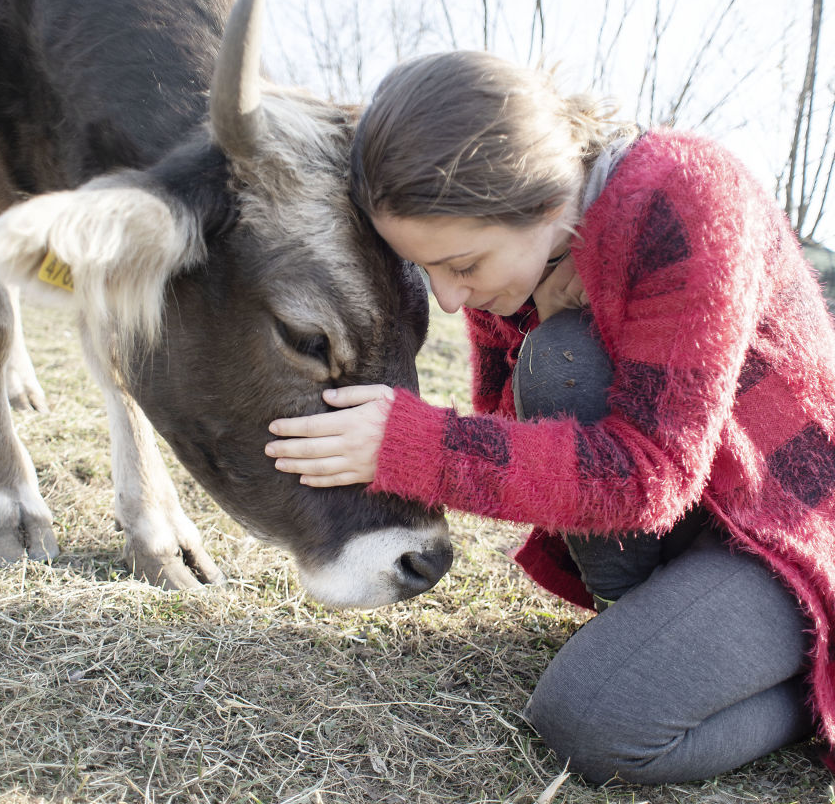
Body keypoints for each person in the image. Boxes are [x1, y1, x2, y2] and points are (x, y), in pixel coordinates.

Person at [264, 50, 833, 785]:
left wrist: (407, 445)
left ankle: (810, 679)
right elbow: (514, 421)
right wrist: (540, 320)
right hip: (692, 518)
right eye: (427, 270)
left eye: (463, 265)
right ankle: (653, 622)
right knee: (559, 353)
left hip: (786, 521)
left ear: (545, 198)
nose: (449, 298)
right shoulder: (527, 261)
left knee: (588, 725)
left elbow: (646, 479)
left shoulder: (687, 195)